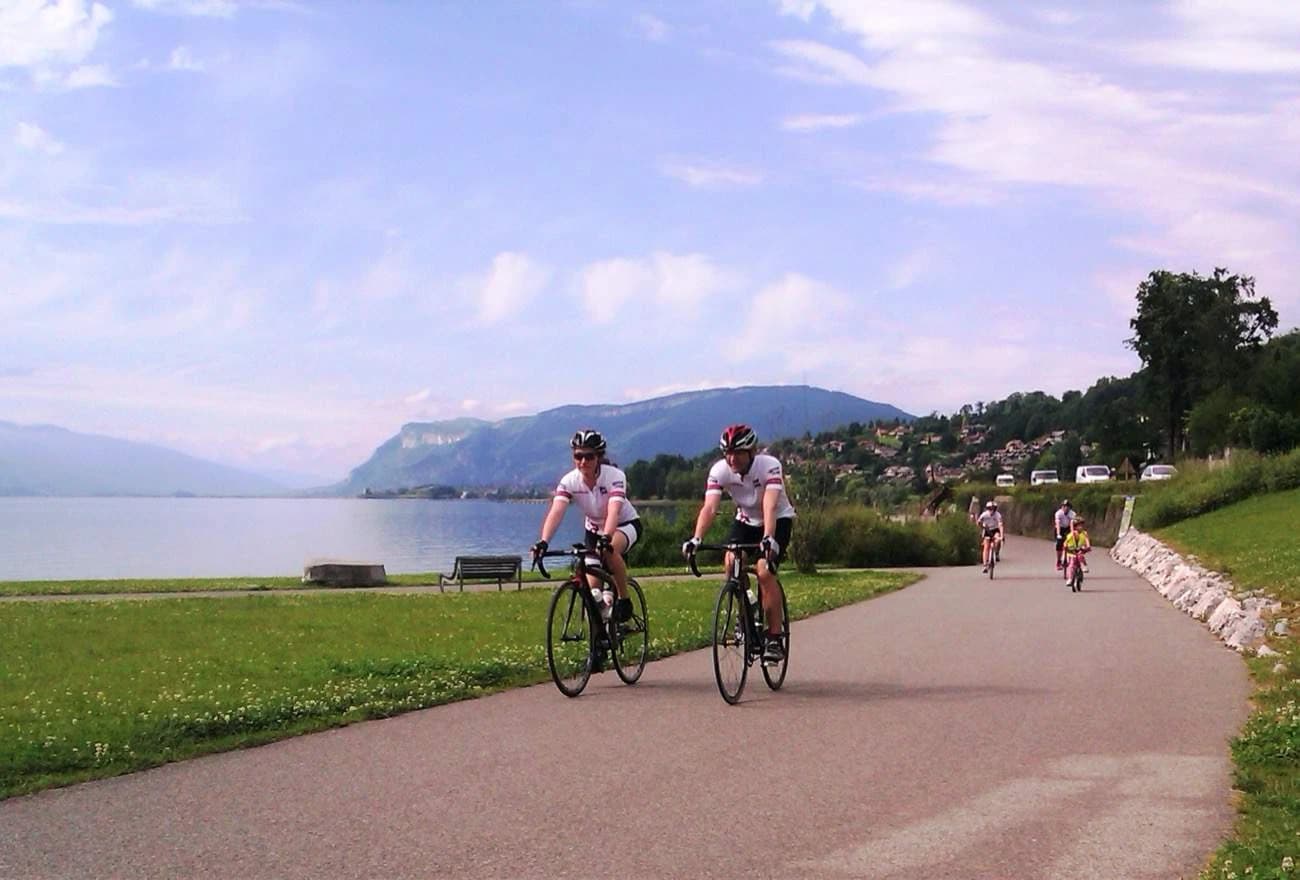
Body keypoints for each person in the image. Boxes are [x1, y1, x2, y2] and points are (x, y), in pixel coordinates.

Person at [682, 424, 796, 665]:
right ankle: (747, 606)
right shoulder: (720, 470)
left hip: (777, 520)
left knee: (764, 571)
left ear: (751, 452)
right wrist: (696, 538)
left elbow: (770, 504)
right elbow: (710, 507)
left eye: (738, 453)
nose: (731, 458)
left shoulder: (769, 465)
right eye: (727, 453)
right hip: (744, 521)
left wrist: (768, 537)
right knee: (731, 562)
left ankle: (774, 637)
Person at [531, 429, 641, 628]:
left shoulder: (614, 476)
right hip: (593, 530)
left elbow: (614, 510)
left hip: (624, 525)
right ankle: (600, 640)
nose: (583, 462)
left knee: (609, 551)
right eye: (578, 456)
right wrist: (544, 541)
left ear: (598, 457)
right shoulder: (569, 481)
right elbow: (556, 511)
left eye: (588, 456)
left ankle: (624, 599)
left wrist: (607, 536)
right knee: (593, 594)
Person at [976, 500, 1003, 573]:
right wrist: (982, 526)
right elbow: (978, 522)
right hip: (987, 530)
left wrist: (1001, 536)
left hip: (995, 529)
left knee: (997, 540)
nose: (991, 511)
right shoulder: (984, 515)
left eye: (993, 509)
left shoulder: (998, 515)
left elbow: (1000, 525)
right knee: (986, 546)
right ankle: (985, 565)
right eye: (990, 509)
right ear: (987, 509)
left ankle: (996, 553)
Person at [1062, 516, 1091, 581]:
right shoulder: (1071, 534)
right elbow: (1066, 542)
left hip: (1080, 549)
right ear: (1075, 526)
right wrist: (1066, 547)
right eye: (1079, 526)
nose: (1081, 527)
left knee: (1080, 556)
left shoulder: (1084, 533)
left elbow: (1087, 540)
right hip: (1072, 551)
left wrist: (1088, 547)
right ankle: (1070, 578)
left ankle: (1084, 566)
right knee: (1071, 565)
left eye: (1081, 525)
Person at [1053, 499, 1076, 570]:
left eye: (1067, 506)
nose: (1065, 508)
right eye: (1064, 506)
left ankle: (1071, 560)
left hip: (1069, 528)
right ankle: (1059, 561)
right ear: (1062, 507)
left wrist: (1072, 533)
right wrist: (1058, 534)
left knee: (1072, 544)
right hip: (1060, 528)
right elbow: (1057, 523)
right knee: (1059, 545)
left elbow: (1072, 524)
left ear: (1070, 507)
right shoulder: (1058, 513)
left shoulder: (1072, 514)